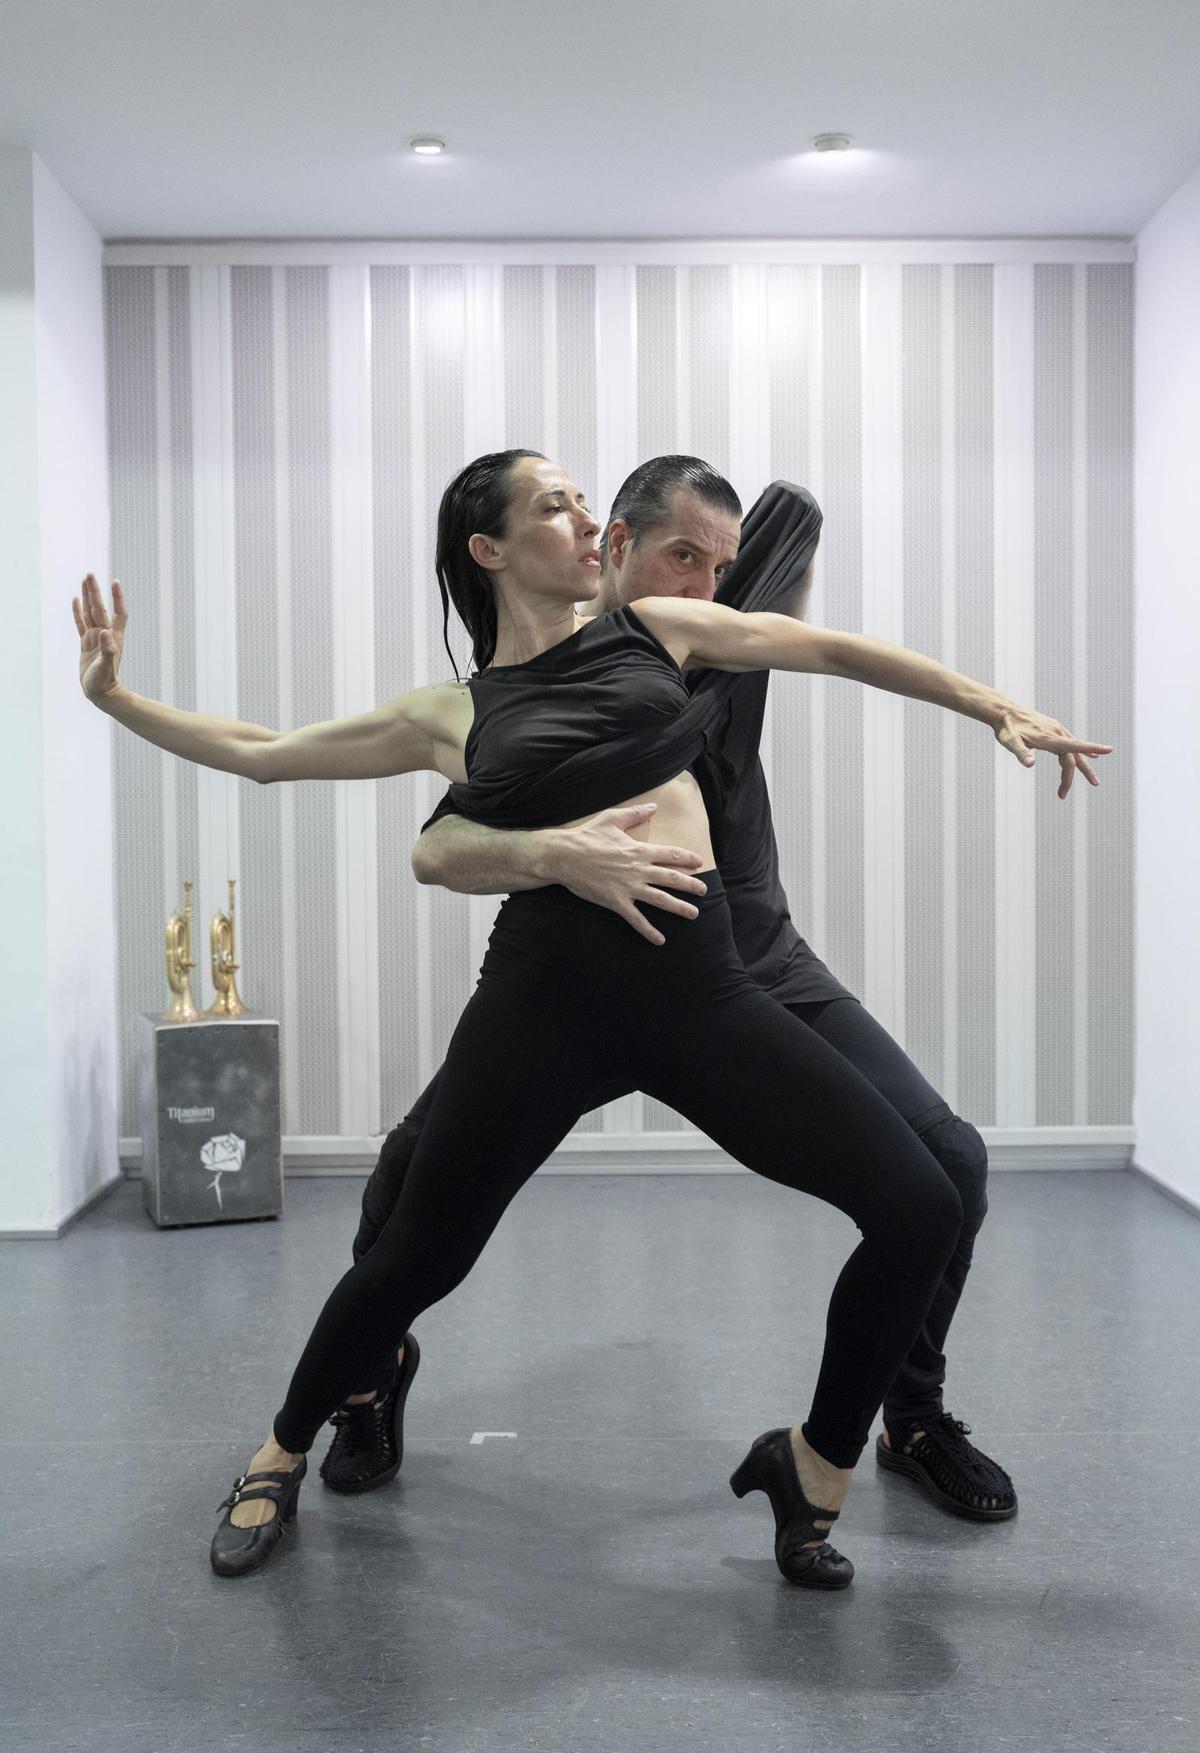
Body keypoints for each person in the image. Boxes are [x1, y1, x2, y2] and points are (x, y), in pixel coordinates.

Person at [73, 450, 1110, 1589]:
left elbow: (833, 650)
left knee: (919, 1200)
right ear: (492, 549)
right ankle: (279, 1450)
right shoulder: (451, 711)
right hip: (544, 1004)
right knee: (417, 1251)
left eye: (583, 501)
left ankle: (814, 1466)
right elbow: (269, 758)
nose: (582, 517)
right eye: (555, 504)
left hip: (703, 993)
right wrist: (119, 698)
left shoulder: (660, 631)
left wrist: (991, 702)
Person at [324, 457, 1020, 1530]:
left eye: (719, 569)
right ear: (614, 551)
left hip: (754, 962)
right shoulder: (551, 674)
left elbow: (790, 538)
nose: (701, 587)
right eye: (678, 558)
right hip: (590, 979)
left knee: (952, 1163)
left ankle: (909, 1417)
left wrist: (988, 701)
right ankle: (367, 1376)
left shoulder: (716, 632)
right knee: (409, 1173)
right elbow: (450, 834)